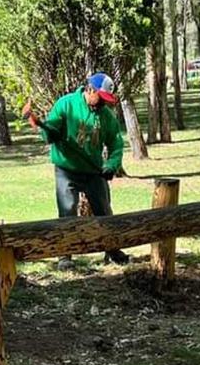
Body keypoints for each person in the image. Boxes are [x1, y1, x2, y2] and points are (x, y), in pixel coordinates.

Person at [22, 72, 130, 269]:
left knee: (104, 212)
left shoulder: (106, 116)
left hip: (94, 171)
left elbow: (116, 144)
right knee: (67, 212)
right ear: (89, 89)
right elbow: (49, 132)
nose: (102, 104)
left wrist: (111, 165)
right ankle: (65, 256)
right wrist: (48, 132)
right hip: (66, 170)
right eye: (100, 98)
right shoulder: (66, 104)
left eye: (106, 100)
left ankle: (112, 250)